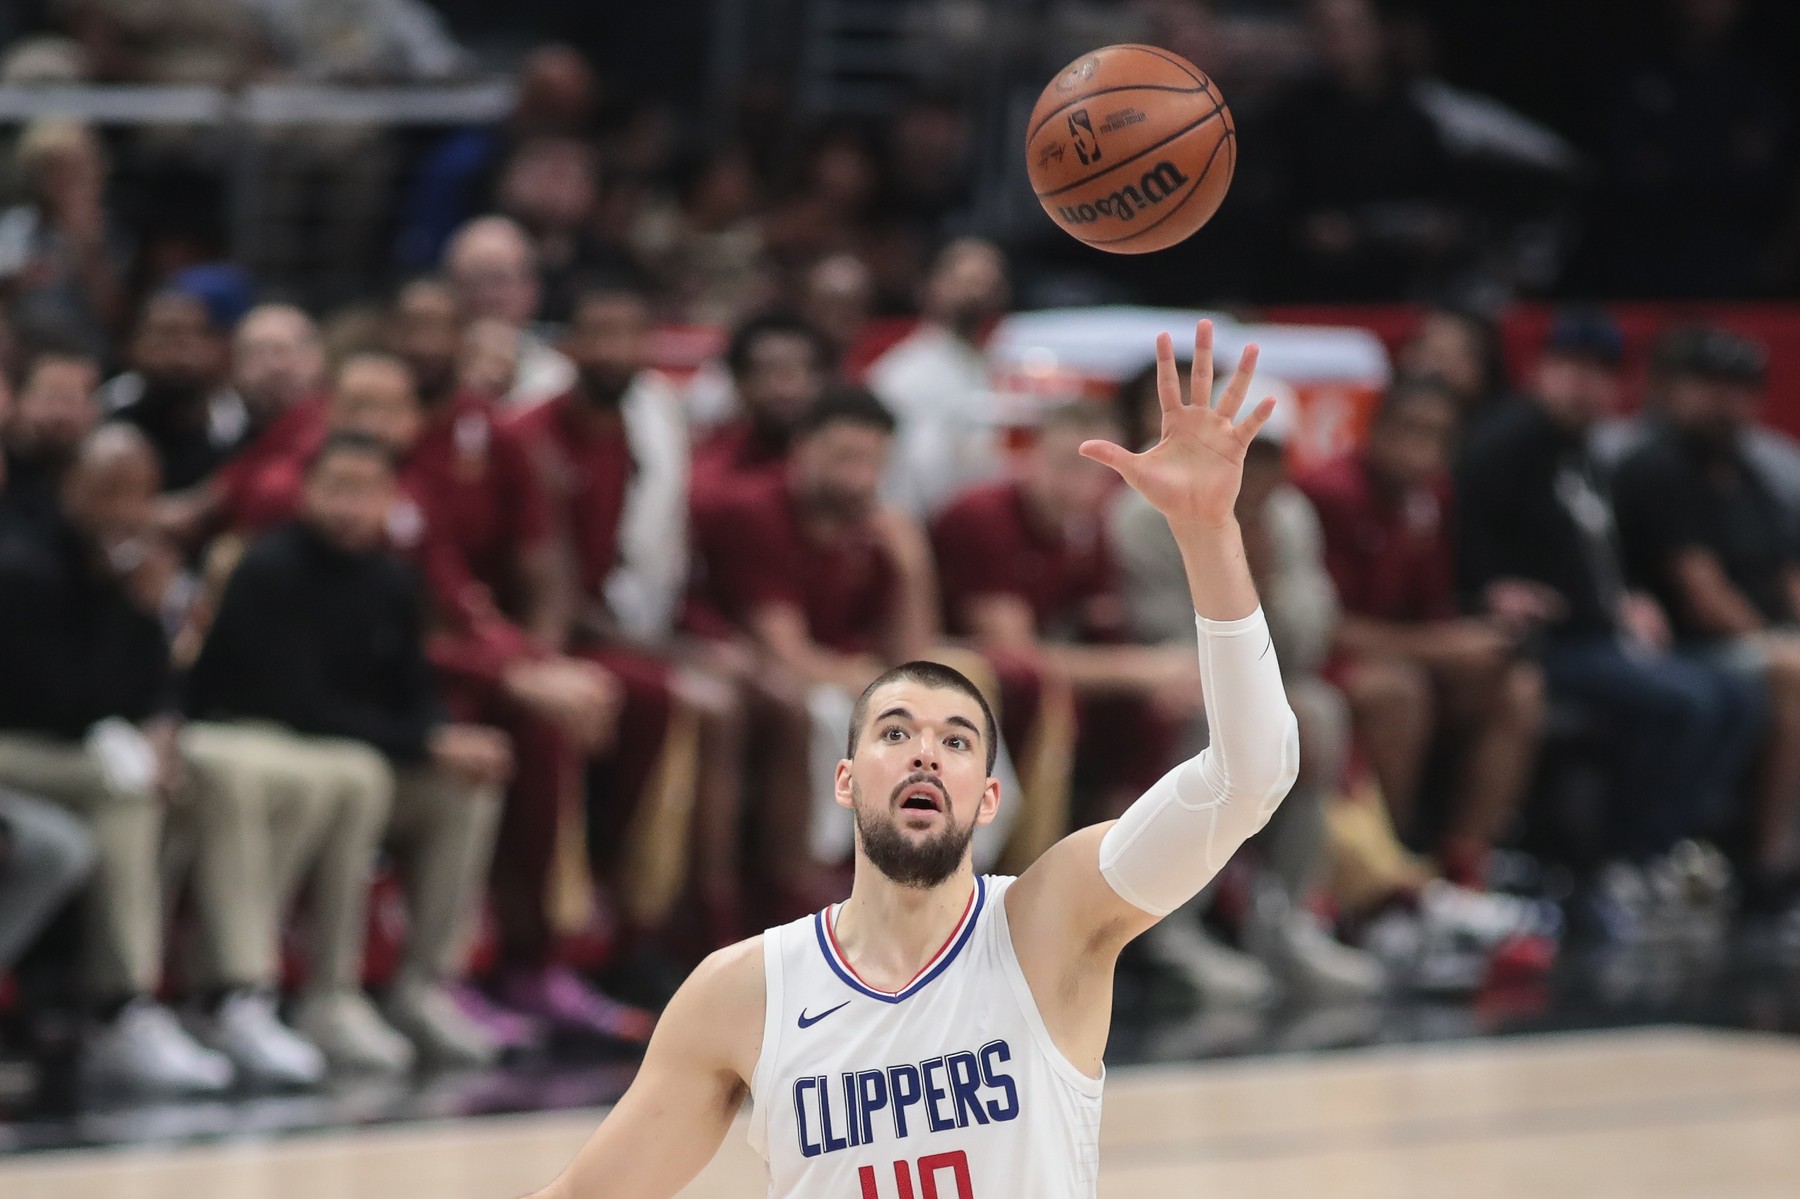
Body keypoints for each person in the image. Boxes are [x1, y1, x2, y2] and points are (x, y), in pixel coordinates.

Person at [529, 319, 1296, 1199]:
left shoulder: (1050, 921)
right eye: (895, 731)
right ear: (846, 779)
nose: (926, 750)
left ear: (988, 796)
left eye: (957, 739)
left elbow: (1251, 775)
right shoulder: (743, 992)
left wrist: (1207, 536)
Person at [186, 430, 513, 1070]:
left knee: (465, 787)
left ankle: (424, 983)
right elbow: (296, 705)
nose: (349, 507)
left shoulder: (391, 579)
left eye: (366, 492)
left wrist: (443, 738)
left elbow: (413, 690)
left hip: (351, 754)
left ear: (392, 499)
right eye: (336, 489)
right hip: (265, 741)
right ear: (305, 492)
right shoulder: (270, 568)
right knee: (358, 775)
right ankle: (327, 993)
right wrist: (423, 740)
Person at [1458, 314, 1762, 897]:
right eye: (1570, 369)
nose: (1583, 385)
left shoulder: (1583, 451)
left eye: (1599, 374)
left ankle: (1666, 844)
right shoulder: (1504, 445)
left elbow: (1594, 546)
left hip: (1602, 631)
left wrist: (1631, 598)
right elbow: (1464, 538)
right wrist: (1486, 589)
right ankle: (1627, 856)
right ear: (1540, 371)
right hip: (1550, 640)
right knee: (1686, 700)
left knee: (1737, 696)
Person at [1111, 366, 1381, 1003]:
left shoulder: (1289, 519)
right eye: (1244, 457)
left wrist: (1261, 568)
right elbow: (1163, 640)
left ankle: (1286, 920)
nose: (1255, 476)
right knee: (1208, 715)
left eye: (1270, 461)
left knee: (1317, 711)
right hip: (1145, 689)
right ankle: (1174, 929)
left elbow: (1309, 646)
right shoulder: (1142, 513)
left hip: (1239, 678)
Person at [0, 426, 233, 1093]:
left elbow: (153, 689)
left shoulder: (129, 565)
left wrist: (160, 725)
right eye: (107, 493)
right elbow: (61, 701)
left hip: (61, 750)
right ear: (70, 488)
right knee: (121, 786)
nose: (123, 512)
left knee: (175, 783)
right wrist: (131, 608)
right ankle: (119, 1004)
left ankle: (219, 996)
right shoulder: (24, 563)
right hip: (17, 744)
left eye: (139, 497)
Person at [691, 387, 940, 912]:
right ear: (803, 450)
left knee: (953, 705)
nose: (858, 477)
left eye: (872, 462)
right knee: (836, 712)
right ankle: (803, 892)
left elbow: (916, 659)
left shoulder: (875, 528)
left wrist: (911, 567)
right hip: (736, 665)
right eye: (844, 458)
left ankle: (933, 881)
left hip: (838, 670)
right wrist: (891, 688)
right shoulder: (753, 510)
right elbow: (789, 656)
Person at [1303, 378, 1544, 888]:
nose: (1423, 449)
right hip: (1323, 661)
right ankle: (1383, 875)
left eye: (1439, 437)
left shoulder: (1432, 497)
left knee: (1517, 688)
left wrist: (1477, 640)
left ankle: (1464, 866)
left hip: (1404, 653)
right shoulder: (1328, 493)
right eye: (1411, 430)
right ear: (1376, 430)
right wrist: (1439, 650)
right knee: (1397, 693)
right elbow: (1322, 629)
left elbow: (1428, 609)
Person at [1611, 327, 1800, 916]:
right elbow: (1702, 595)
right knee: (1790, 674)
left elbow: (1788, 574)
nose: (1725, 402)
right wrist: (1774, 640)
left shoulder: (1750, 472)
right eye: (1710, 386)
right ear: (1675, 388)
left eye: (1739, 388)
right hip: (1680, 645)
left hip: (1750, 641)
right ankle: (1770, 863)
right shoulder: (1657, 466)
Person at [867, 238, 1010, 519]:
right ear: (934, 287)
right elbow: (898, 478)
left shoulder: (1008, 366)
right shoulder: (900, 374)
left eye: (987, 283)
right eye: (966, 281)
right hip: (928, 525)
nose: (976, 293)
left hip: (989, 526)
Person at [99, 288, 243, 492]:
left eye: (194, 333)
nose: (180, 350)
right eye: (166, 334)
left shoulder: (238, 424)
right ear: (133, 346)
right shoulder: (104, 411)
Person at [690, 313, 831, 503]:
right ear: (740, 382)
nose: (787, 390)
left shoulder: (835, 458)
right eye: (771, 372)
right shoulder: (712, 466)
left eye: (799, 371)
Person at [441, 215, 575, 408]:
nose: (486, 294)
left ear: (531, 288)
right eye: (473, 280)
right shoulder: (427, 376)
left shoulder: (562, 380)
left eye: (499, 280)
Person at [0, 345, 101, 528]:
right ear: (19, 398)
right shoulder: (6, 469)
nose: (63, 413)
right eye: (53, 397)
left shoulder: (97, 472)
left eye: (76, 400)